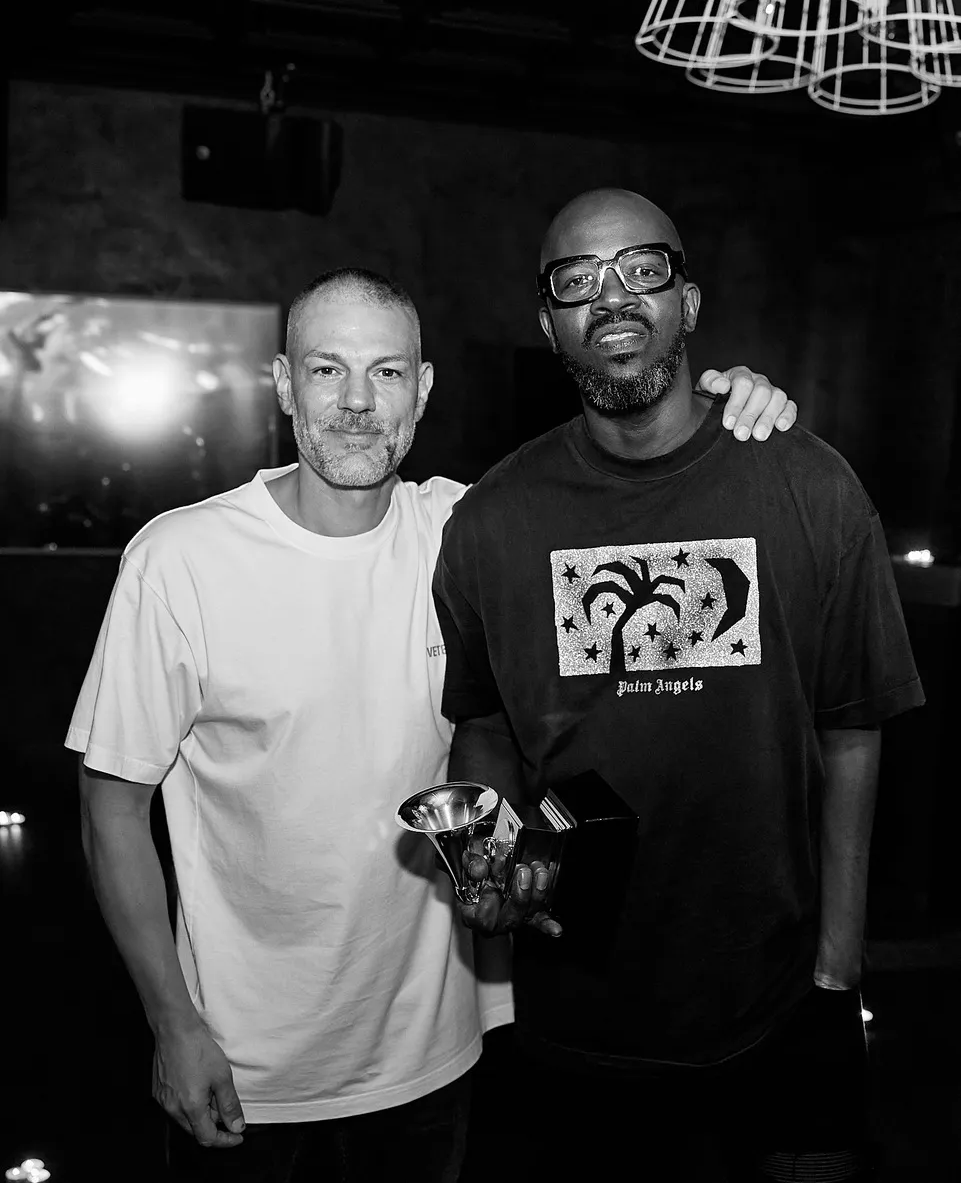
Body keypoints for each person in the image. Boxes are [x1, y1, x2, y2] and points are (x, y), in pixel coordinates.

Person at [66, 265, 797, 1183]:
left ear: (424, 388)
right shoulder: (181, 560)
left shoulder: (468, 526)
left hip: (436, 1058)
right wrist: (172, 1023)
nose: (358, 402)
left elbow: (640, 524)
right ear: (286, 386)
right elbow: (110, 810)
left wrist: (724, 410)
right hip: (250, 1069)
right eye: (328, 371)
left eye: (386, 372)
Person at [432, 191, 925, 1183]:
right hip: (575, 1016)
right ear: (550, 324)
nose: (611, 296)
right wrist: (487, 860)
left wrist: (838, 965)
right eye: (576, 281)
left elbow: (851, 732)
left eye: (641, 269)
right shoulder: (491, 520)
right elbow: (481, 722)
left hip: (780, 1007)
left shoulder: (808, 486)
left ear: (688, 302)